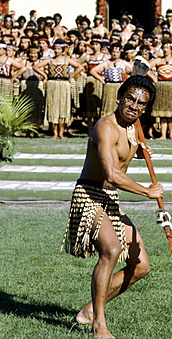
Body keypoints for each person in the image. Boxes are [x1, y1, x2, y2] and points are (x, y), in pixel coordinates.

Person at [61, 75, 163, 339]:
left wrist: (138, 151)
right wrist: (147, 191)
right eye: (130, 98)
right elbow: (111, 173)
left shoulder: (135, 126)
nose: (134, 106)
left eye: (141, 103)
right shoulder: (105, 127)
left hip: (111, 199)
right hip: (89, 195)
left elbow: (124, 153)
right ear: (119, 97)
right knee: (112, 249)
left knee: (140, 266)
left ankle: (89, 311)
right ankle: (99, 326)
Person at [33, 39, 83, 138]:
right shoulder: (49, 60)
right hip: (52, 84)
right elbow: (36, 67)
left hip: (64, 84)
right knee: (53, 108)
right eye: (55, 49)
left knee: (63, 108)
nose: (56, 51)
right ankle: (55, 133)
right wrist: (45, 75)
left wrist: (71, 76)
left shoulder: (67, 60)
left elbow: (80, 67)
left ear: (63, 49)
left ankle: (61, 133)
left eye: (59, 49)